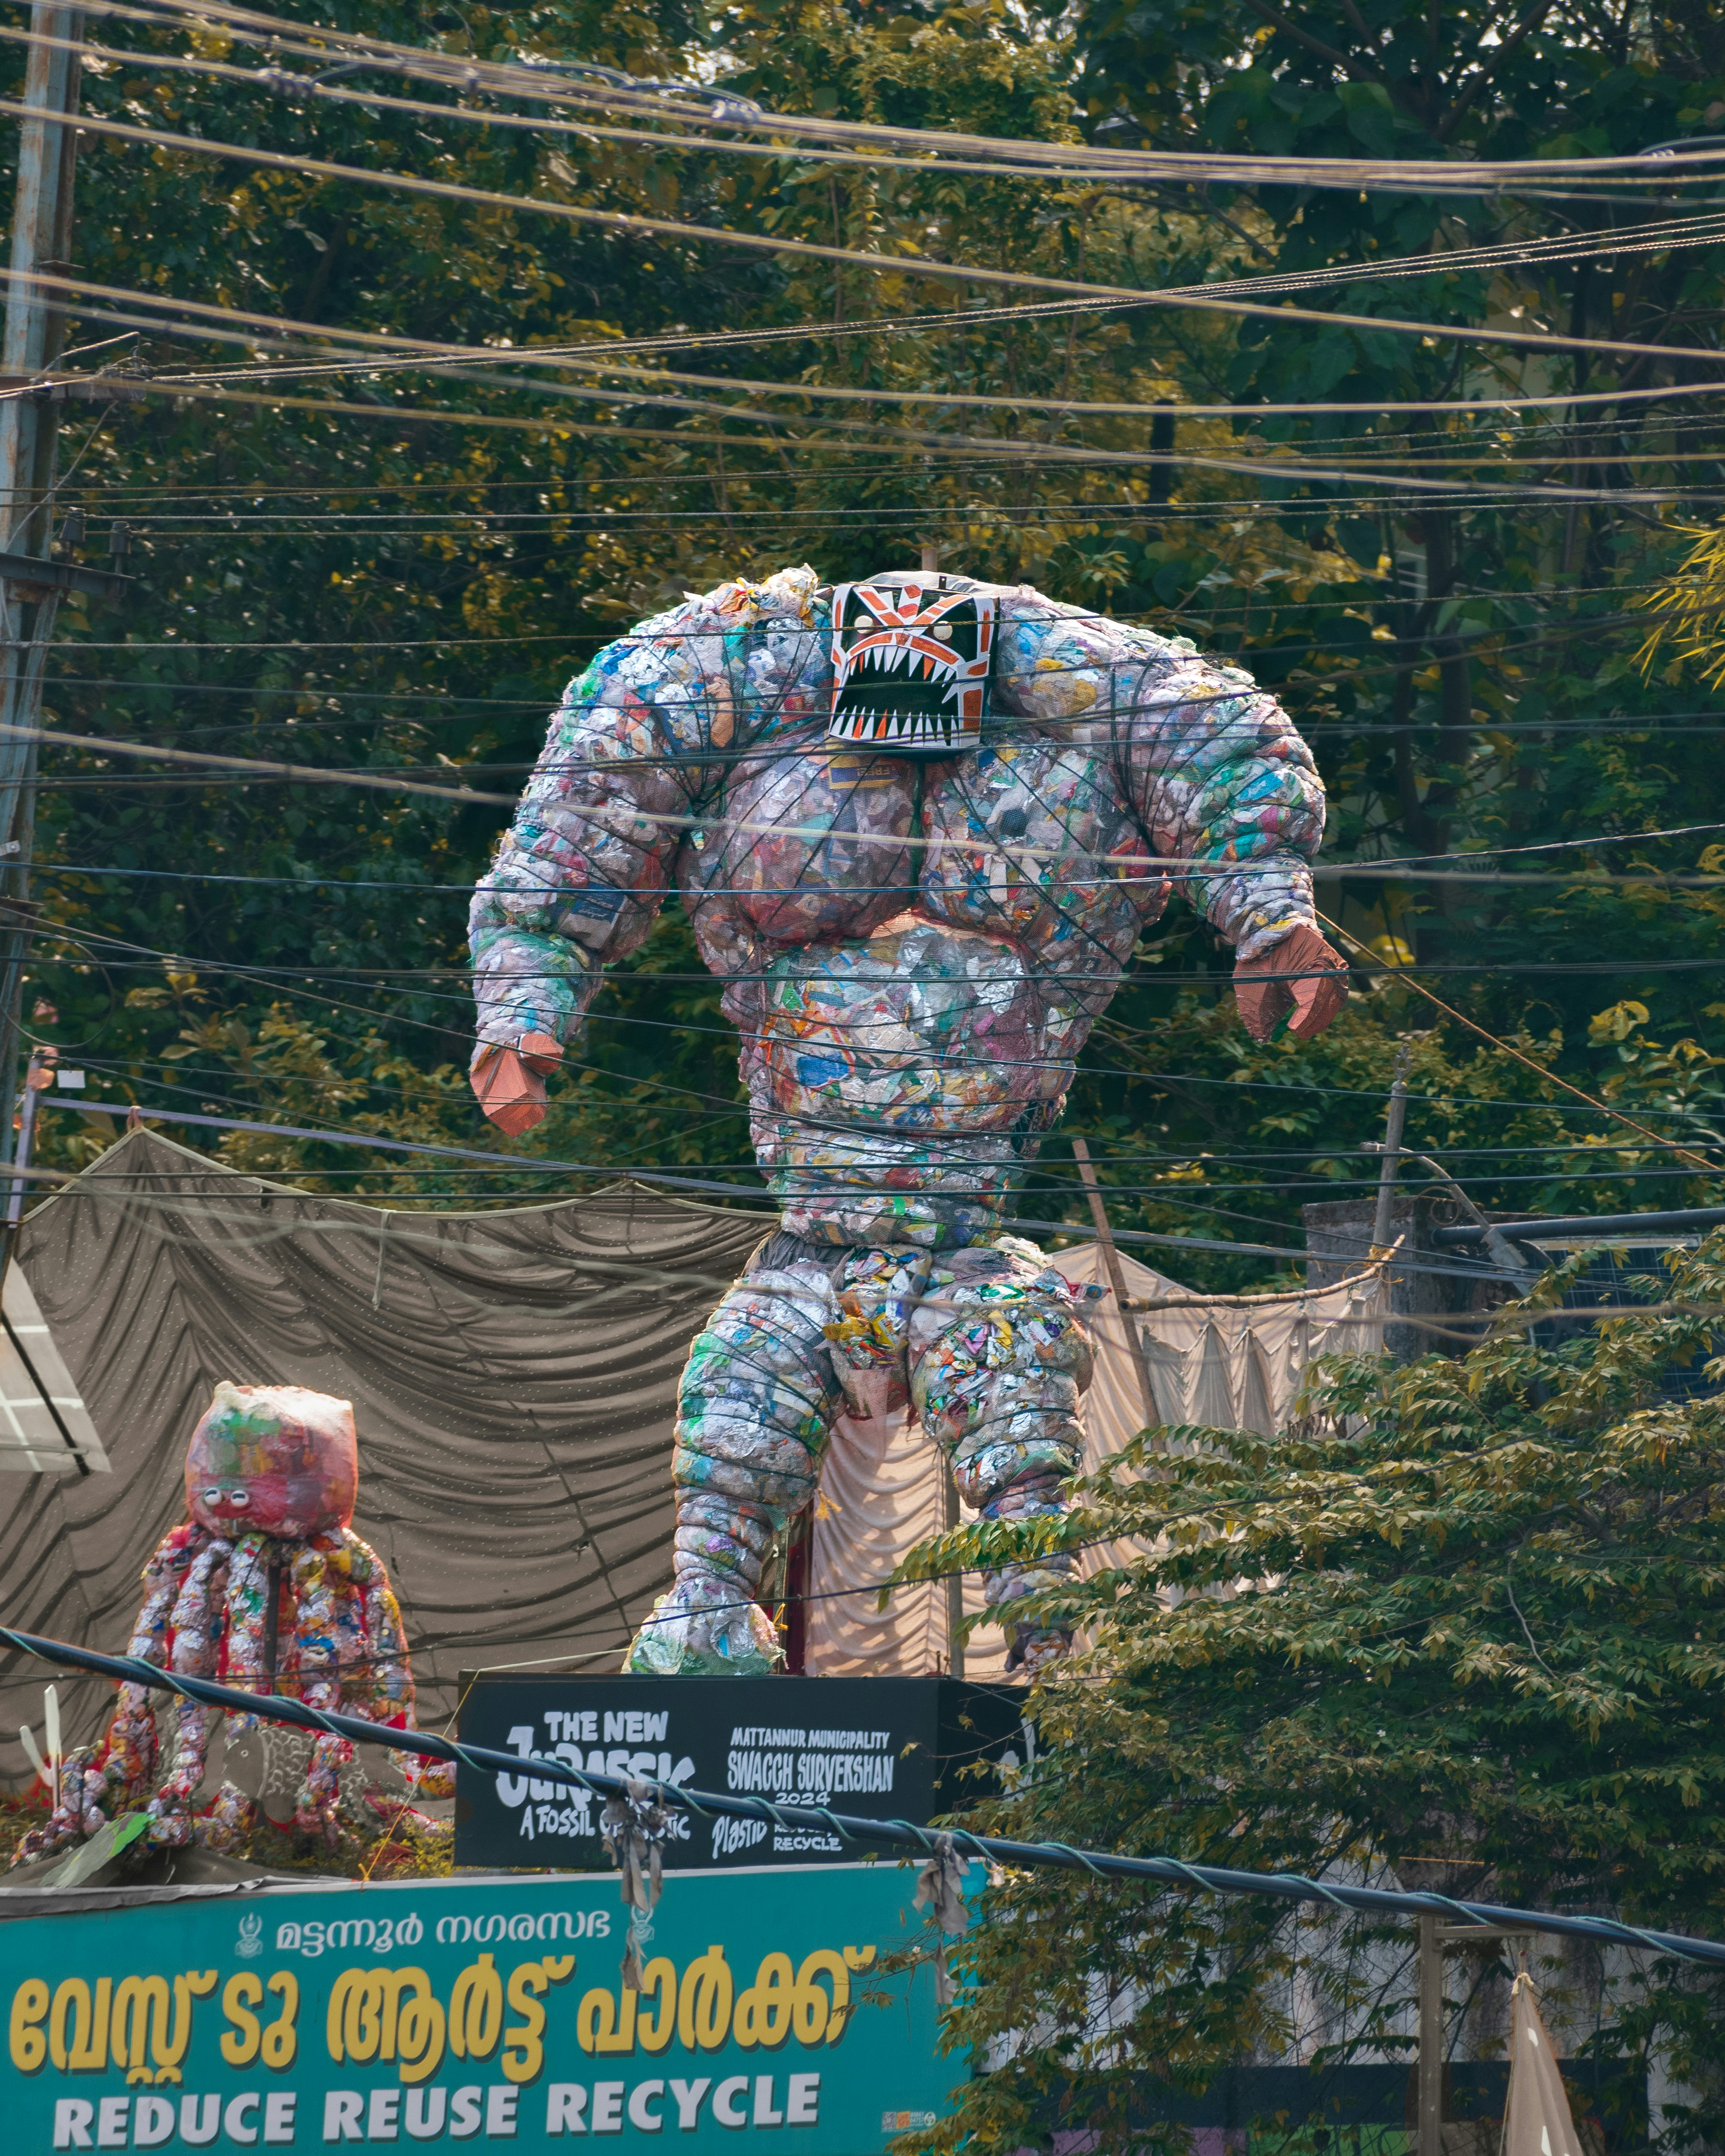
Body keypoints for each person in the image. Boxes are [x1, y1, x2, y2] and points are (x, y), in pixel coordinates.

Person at [468, 567, 1347, 1674]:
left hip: (966, 1231)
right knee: (733, 1441)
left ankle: (1051, 1678)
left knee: (1019, 1440)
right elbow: (578, 821)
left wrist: (1267, 914)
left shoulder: (1093, 699)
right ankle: (703, 1643)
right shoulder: (731, 679)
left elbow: (1221, 750)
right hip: (811, 1226)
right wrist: (523, 1012)